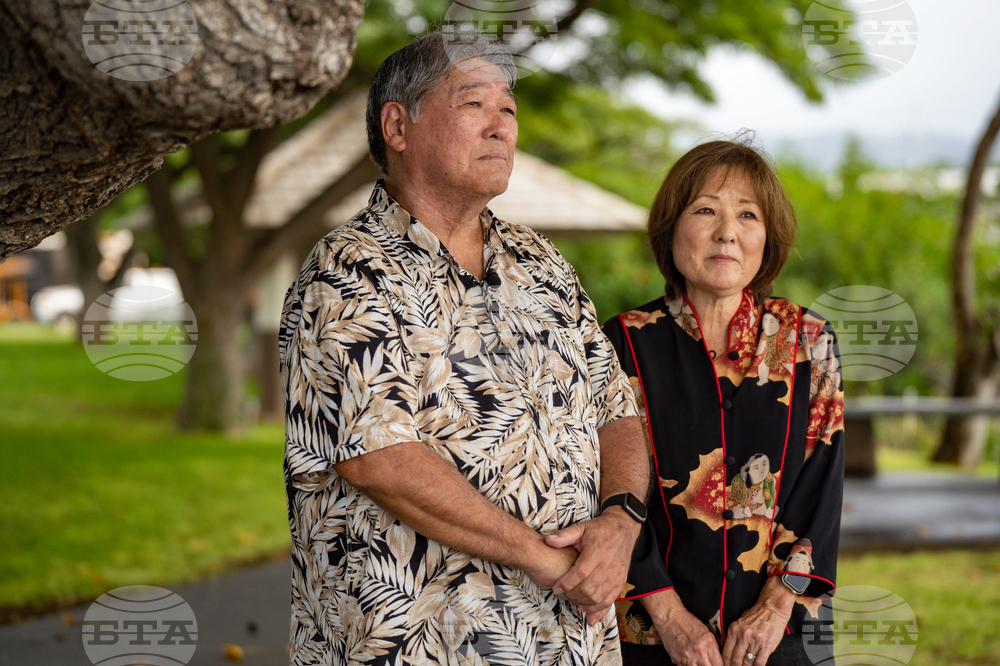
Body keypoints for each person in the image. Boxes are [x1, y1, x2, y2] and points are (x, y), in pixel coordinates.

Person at [278, 28, 650, 666]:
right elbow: (382, 459)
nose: (502, 125)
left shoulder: (542, 262)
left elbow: (616, 407)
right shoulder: (346, 272)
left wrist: (619, 523)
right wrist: (548, 560)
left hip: (566, 639)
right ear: (398, 126)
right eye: (475, 103)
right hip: (420, 644)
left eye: (509, 108)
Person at [602, 140, 845, 666]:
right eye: (706, 210)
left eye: (748, 215)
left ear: (767, 236)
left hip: (780, 636)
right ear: (672, 228)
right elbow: (604, 488)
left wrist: (779, 604)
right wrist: (667, 615)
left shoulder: (808, 340)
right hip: (651, 635)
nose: (727, 232)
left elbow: (820, 491)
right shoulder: (625, 342)